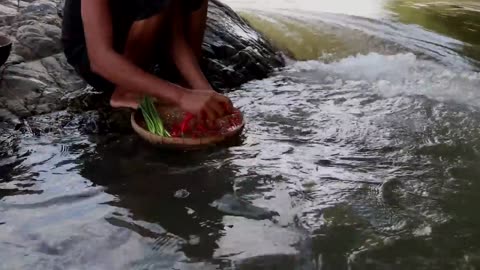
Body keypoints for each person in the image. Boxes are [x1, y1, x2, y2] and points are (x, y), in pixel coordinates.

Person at [61, 0, 233, 122]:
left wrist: (203, 89)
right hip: (93, 54)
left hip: (136, 29)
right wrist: (181, 97)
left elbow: (174, 36)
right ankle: (125, 91)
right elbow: (99, 59)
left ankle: (186, 82)